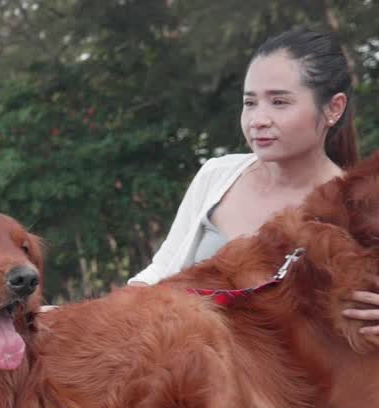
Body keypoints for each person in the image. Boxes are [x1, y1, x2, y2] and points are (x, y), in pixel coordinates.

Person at [111, 29, 377, 335]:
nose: (258, 120)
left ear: (333, 108)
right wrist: (95, 317)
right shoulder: (217, 175)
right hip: (187, 371)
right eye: (250, 103)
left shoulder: (356, 211)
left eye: (279, 102)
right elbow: (162, 272)